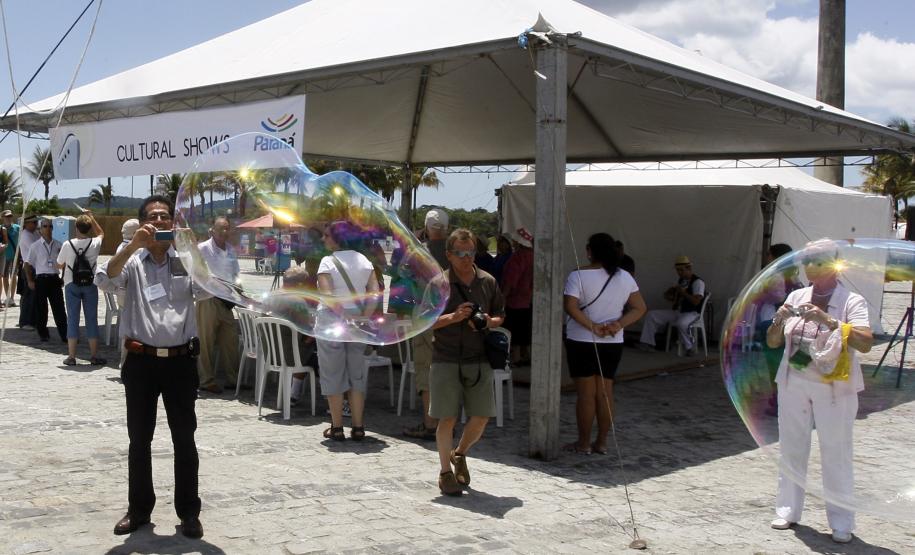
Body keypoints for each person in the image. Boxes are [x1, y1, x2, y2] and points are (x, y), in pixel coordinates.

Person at [96, 194, 203, 539]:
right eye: (153, 217)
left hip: (180, 362)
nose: (160, 221)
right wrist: (130, 246)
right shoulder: (132, 260)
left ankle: (189, 512)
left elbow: (212, 287)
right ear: (143, 223)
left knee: (184, 439)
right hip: (141, 362)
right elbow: (105, 277)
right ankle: (139, 509)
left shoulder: (185, 259)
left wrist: (195, 250)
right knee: (139, 440)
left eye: (165, 217)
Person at [765, 240, 873, 544]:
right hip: (794, 380)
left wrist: (827, 320)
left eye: (815, 261)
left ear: (831, 264)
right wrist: (779, 319)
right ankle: (787, 510)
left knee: (835, 451)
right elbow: (773, 341)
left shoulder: (852, 301)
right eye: (806, 261)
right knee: (791, 446)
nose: (808, 266)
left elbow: (865, 342)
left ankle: (841, 521)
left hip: (834, 386)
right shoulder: (797, 294)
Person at [429, 228, 505, 496]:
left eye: (470, 252)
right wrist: (453, 317)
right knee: (446, 418)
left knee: (482, 416)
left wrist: (485, 322)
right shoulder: (439, 284)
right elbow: (426, 322)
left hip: (478, 356)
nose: (465, 258)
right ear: (449, 255)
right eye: (460, 253)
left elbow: (499, 316)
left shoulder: (487, 282)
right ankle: (444, 473)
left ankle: (459, 453)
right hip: (446, 356)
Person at [563, 233, 646, 454]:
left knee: (586, 394)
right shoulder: (625, 277)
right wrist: (618, 325)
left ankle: (583, 443)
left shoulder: (578, 275)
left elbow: (570, 307)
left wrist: (592, 326)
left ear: (590, 251)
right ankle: (602, 442)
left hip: (581, 339)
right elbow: (639, 307)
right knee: (605, 392)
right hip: (612, 341)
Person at [316, 221, 381, 441]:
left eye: (326, 235)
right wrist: (363, 316)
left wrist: (344, 315)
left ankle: (336, 426)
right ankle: (358, 426)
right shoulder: (365, 261)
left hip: (331, 321)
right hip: (358, 324)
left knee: (333, 372)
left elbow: (328, 295)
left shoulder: (327, 261)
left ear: (337, 238)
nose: (323, 239)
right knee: (356, 373)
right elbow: (374, 291)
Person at [403, 207, 450, 440]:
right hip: (453, 317)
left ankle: (431, 424)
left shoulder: (420, 252)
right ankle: (447, 420)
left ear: (428, 227)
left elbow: (405, 277)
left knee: (426, 370)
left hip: (426, 317)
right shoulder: (456, 251)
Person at [195, 216, 241, 394]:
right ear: (212, 230)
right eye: (220, 228)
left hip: (226, 301)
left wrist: (240, 292)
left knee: (230, 340)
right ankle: (206, 379)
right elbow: (197, 273)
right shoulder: (203, 248)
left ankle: (233, 378)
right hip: (208, 299)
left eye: (227, 228)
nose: (224, 231)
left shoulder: (230, 250)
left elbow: (235, 273)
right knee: (205, 341)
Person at [57, 211, 105, 366]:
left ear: (76, 228)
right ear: (89, 228)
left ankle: (71, 356)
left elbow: (59, 264)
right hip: (90, 283)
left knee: (72, 319)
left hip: (71, 283)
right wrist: (92, 217)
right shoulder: (95, 243)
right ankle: (94, 355)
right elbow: (101, 233)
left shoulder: (67, 244)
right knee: (91, 318)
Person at [637, 255, 706, 356]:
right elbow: (677, 299)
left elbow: (696, 301)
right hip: (678, 311)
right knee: (651, 314)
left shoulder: (698, 282)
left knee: (681, 323)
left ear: (689, 269)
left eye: (681, 270)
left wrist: (683, 293)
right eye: (678, 270)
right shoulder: (681, 281)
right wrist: (671, 295)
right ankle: (648, 343)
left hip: (692, 313)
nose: (679, 273)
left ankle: (690, 348)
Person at [24, 218, 68, 343]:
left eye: (50, 226)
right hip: (41, 280)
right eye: (45, 226)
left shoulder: (59, 245)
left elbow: (65, 262)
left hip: (54, 279)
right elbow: (27, 264)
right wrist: (30, 281)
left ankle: (64, 334)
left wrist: (63, 277)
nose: (47, 229)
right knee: (41, 309)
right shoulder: (35, 246)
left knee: (59, 309)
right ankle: (43, 334)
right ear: (40, 229)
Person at [501, 227, 534, 366]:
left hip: (514, 301)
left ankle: (516, 358)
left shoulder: (518, 257)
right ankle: (525, 355)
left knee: (513, 330)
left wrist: (502, 298)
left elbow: (510, 281)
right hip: (528, 299)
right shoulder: (534, 256)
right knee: (524, 330)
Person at [16, 214, 39, 330]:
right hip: (29, 268)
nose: (36, 225)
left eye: (36, 222)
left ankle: (33, 320)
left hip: (36, 268)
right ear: (27, 224)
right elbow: (37, 249)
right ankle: (25, 322)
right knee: (28, 296)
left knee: (33, 296)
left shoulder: (34, 233)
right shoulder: (26, 235)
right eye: (34, 223)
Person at [1, 209, 19, 307]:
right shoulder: (0, 229)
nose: (9, 218)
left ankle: (12, 298)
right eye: (7, 216)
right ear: (2, 217)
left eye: (10, 216)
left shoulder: (17, 228)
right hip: (3, 257)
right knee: (4, 277)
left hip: (14, 257)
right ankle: (7, 297)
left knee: (13, 276)